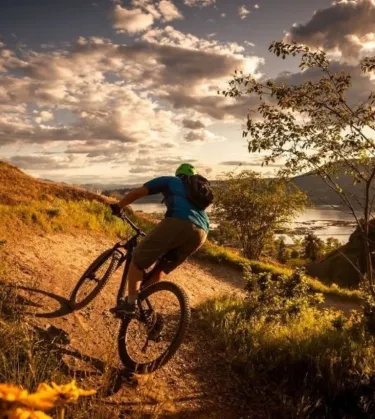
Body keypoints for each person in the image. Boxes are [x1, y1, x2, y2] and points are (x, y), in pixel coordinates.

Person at [110, 163, 210, 315]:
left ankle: (130, 305)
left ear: (179, 174)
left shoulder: (171, 181)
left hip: (178, 223)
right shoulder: (197, 194)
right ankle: (142, 302)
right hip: (202, 233)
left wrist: (119, 206)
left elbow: (137, 193)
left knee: (137, 260)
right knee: (160, 269)